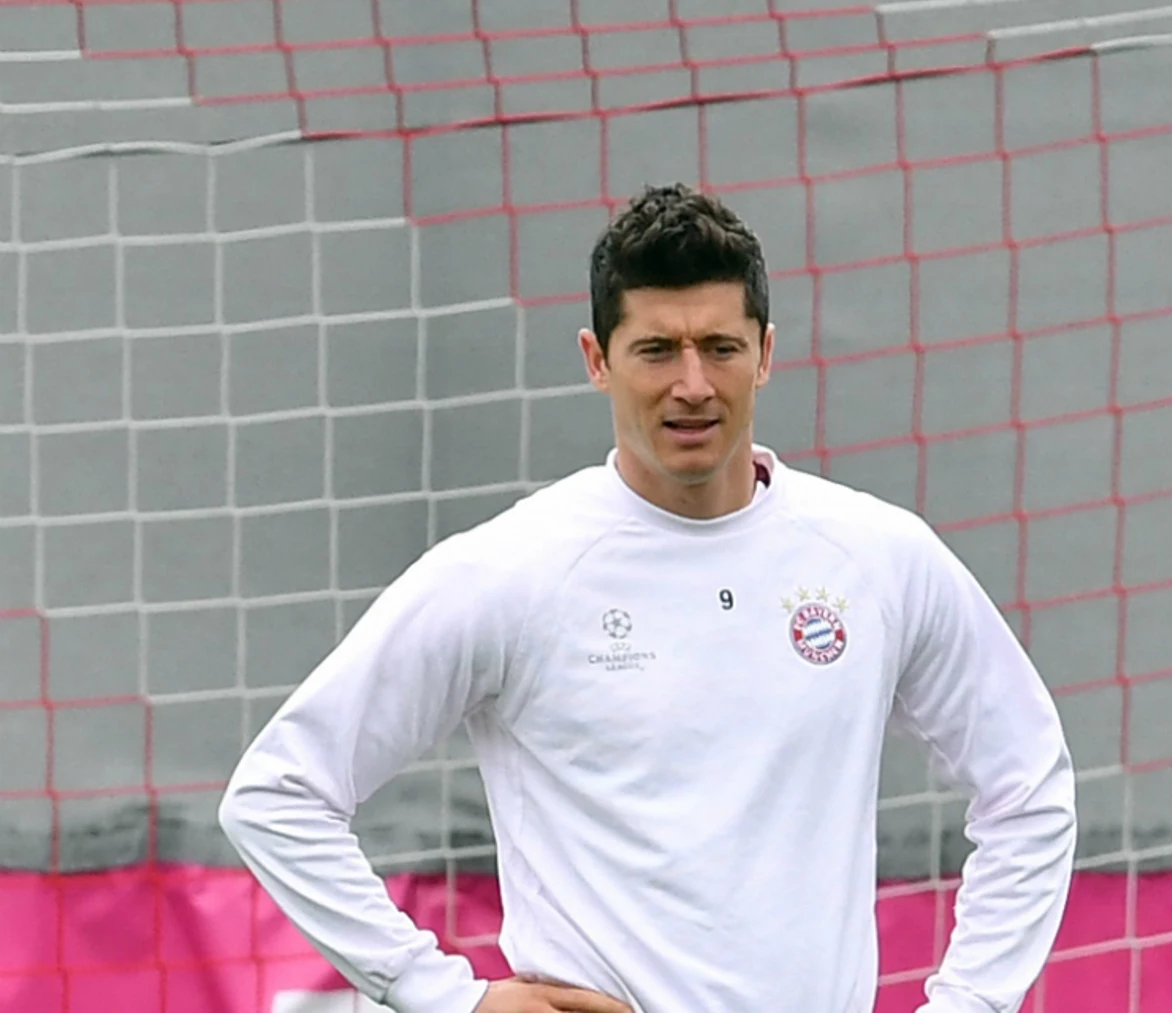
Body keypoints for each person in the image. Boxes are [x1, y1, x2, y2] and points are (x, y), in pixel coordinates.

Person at [218, 183, 1079, 1013]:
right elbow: (278, 794)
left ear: (766, 354)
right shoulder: (511, 572)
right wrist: (444, 993)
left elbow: (1029, 788)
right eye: (658, 350)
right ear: (598, 360)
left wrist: (969, 1001)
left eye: (721, 347)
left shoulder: (880, 558)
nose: (693, 383)